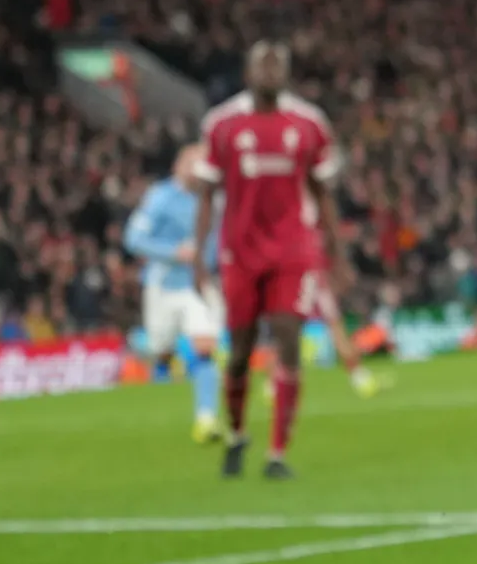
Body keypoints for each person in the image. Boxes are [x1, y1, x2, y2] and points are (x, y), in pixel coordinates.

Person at [190, 42, 343, 480]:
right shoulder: (221, 124)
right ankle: (238, 434)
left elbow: (321, 191)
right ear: (247, 72)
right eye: (263, 65)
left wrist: (336, 250)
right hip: (239, 251)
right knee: (239, 351)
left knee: (288, 338)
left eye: (278, 66)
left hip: (293, 249)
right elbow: (207, 193)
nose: (271, 72)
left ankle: (277, 453)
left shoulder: (309, 123)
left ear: (288, 74)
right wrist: (199, 257)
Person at [124, 143, 227, 443]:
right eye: (194, 163)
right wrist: (173, 252)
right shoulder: (160, 197)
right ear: (178, 167)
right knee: (161, 350)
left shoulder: (216, 198)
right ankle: (160, 391)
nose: (200, 170)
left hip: (199, 285)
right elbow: (134, 239)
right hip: (163, 285)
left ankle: (206, 418)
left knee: (205, 346)